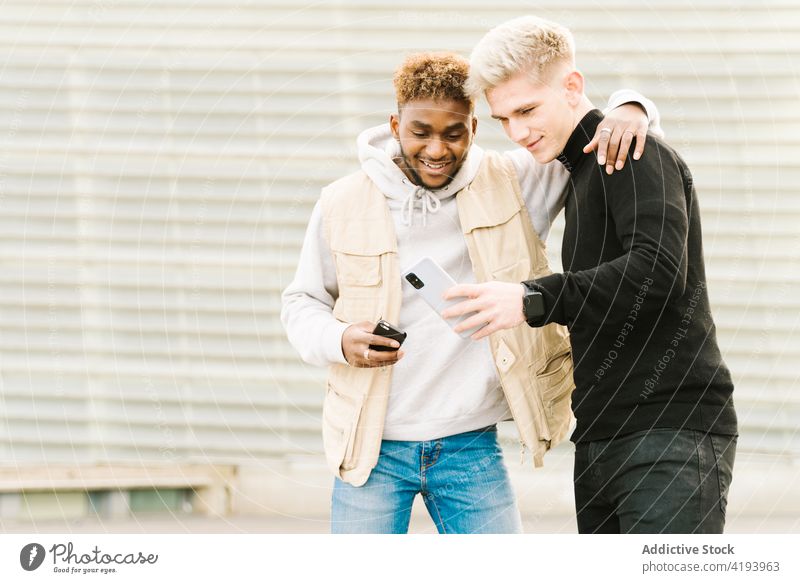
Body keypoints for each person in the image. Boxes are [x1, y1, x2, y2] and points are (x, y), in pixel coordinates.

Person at [281, 51, 661, 534]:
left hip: (470, 443)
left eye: (453, 133)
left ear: (475, 129)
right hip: (370, 446)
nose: (437, 149)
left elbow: (599, 138)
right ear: (396, 124)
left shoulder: (517, 179)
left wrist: (632, 107)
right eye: (421, 131)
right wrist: (339, 339)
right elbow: (301, 302)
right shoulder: (342, 201)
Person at [443, 16, 737, 533]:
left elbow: (658, 271)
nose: (518, 132)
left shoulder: (631, 153)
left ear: (572, 86)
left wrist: (532, 298)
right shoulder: (576, 168)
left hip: (669, 431)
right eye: (503, 119)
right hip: (603, 434)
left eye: (527, 110)